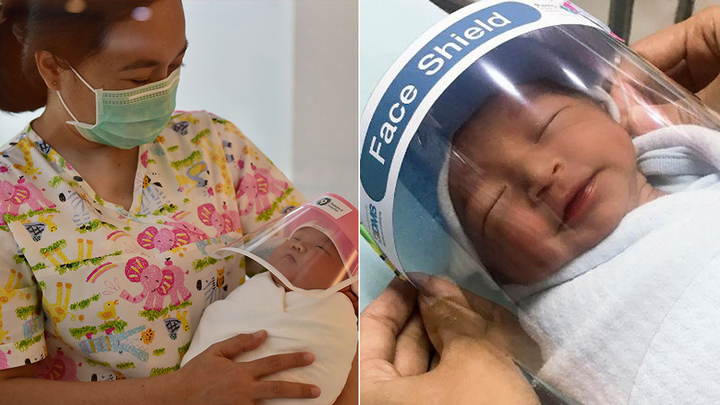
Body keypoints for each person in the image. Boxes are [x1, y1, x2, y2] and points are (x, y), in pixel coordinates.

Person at [361, 4, 720, 405]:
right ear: (494, 270)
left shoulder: (696, 160)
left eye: (549, 126)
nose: (538, 175)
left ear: (610, 112)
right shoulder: (529, 338)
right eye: (494, 202)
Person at [0, 1, 356, 403]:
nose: (162, 88)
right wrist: (174, 394)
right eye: (138, 77)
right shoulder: (10, 197)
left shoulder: (212, 144)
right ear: (53, 68)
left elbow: (337, 292)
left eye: (175, 67)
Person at [181, 202, 359, 405]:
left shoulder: (337, 311)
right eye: (295, 238)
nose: (297, 245)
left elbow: (331, 362)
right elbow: (220, 322)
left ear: (347, 283)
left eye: (320, 247)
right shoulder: (254, 288)